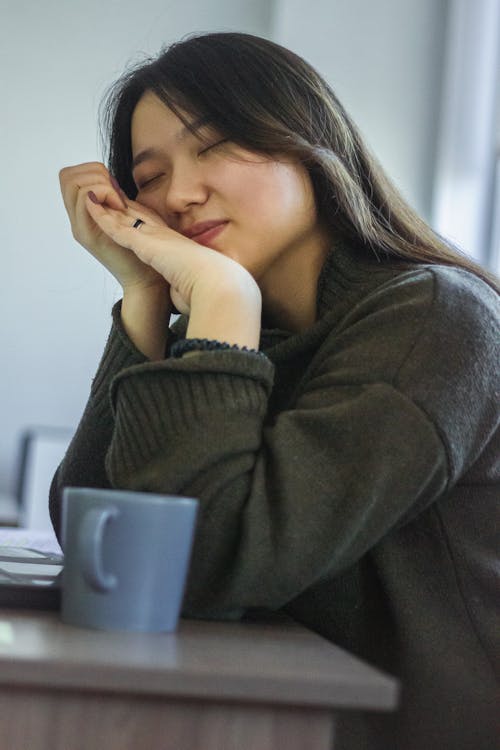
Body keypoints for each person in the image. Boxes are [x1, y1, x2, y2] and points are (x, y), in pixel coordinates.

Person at [50, 31, 499, 750]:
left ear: (310, 146)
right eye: (151, 175)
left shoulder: (434, 318)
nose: (181, 194)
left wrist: (221, 297)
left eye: (215, 145)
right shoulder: (247, 336)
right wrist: (142, 298)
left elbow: (215, 569)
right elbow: (95, 540)